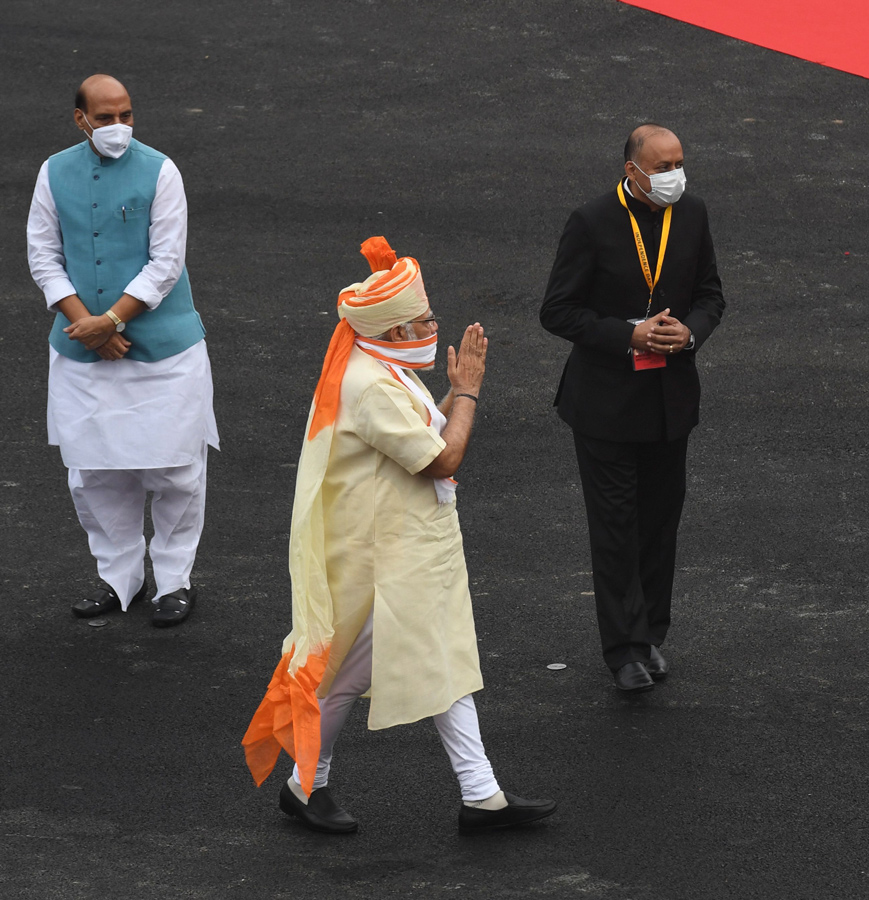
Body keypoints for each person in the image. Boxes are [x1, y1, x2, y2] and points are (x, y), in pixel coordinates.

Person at [242, 238, 556, 835]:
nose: (434, 326)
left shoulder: (384, 368)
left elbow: (424, 432)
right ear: (390, 333)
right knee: (360, 674)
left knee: (434, 661)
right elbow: (441, 458)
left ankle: (475, 794)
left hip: (402, 549)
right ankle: (307, 785)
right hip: (384, 559)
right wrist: (467, 390)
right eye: (425, 320)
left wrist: (453, 399)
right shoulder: (374, 384)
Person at [26, 74, 218, 627]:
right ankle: (118, 579)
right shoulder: (52, 171)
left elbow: (167, 261)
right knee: (95, 472)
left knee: (176, 469)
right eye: (105, 118)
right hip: (83, 350)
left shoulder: (161, 170)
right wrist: (87, 324)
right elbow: (43, 255)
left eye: (126, 116)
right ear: (79, 119)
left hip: (164, 353)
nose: (118, 128)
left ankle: (175, 582)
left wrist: (110, 320)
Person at [540, 124, 725, 692]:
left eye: (679, 163)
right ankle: (622, 650)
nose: (674, 175)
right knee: (616, 525)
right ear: (633, 171)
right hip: (605, 406)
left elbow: (711, 296)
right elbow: (558, 311)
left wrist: (688, 335)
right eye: (663, 166)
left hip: (670, 401)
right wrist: (630, 335)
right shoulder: (591, 222)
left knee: (660, 524)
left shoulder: (690, 214)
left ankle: (650, 636)